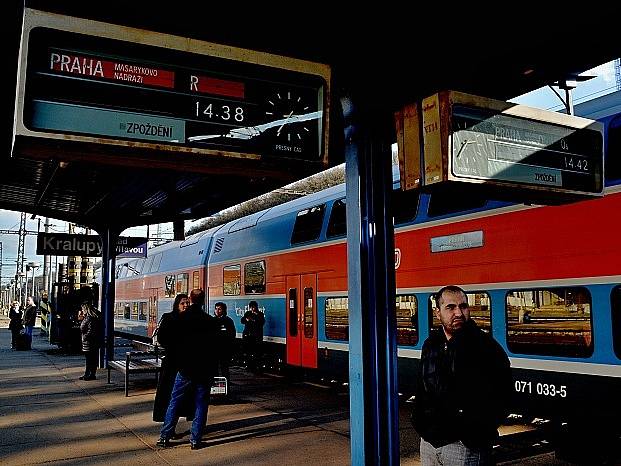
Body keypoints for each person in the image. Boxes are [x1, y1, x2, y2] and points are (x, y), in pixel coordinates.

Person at [412, 285, 512, 466]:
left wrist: (474, 432)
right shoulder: (431, 344)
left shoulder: (486, 347)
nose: (458, 312)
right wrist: (420, 423)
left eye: (463, 306)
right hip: (429, 441)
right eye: (450, 307)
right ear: (438, 312)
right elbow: (422, 388)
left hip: (465, 445)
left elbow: (504, 396)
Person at [157, 288, 217, 450]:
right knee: (201, 404)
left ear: (190, 299)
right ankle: (195, 440)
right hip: (203, 370)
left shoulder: (180, 320)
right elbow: (215, 348)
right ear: (204, 300)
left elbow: (170, 342)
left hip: (184, 370)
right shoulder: (209, 321)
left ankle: (164, 436)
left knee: (174, 401)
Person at [153, 293, 195, 425]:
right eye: (183, 303)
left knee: (184, 397)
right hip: (172, 363)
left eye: (187, 303)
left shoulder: (192, 319)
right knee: (170, 396)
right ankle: (169, 428)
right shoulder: (168, 318)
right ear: (177, 304)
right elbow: (161, 338)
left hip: (187, 363)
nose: (186, 305)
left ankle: (172, 427)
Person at [213, 301, 236, 385]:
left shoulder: (228, 321)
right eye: (216, 309)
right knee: (214, 369)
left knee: (224, 368)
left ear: (223, 310)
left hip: (224, 349)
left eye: (219, 309)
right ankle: (215, 386)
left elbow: (232, 334)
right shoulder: (213, 320)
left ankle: (226, 387)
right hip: (214, 349)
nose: (217, 311)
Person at [77, 301, 102, 380]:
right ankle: (87, 373)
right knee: (89, 359)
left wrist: (85, 337)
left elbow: (91, 330)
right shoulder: (88, 317)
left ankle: (91, 374)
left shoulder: (90, 318)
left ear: (85, 309)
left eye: (82, 309)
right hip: (88, 342)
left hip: (90, 342)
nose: (82, 310)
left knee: (91, 359)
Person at [241, 300, 265, 371]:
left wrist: (253, 320)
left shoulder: (260, 314)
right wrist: (246, 319)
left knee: (256, 352)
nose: (252, 309)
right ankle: (249, 365)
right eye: (251, 307)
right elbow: (242, 320)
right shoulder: (248, 313)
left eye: (253, 307)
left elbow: (261, 322)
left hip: (257, 335)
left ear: (256, 307)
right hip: (248, 335)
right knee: (248, 351)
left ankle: (256, 366)